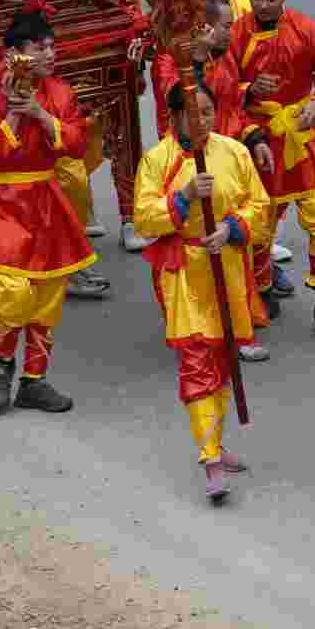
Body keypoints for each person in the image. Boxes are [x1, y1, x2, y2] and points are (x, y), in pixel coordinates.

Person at [133, 82, 269, 502]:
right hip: (184, 274)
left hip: (225, 267)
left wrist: (231, 228)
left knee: (223, 356)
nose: (203, 121)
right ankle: (209, 457)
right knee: (196, 361)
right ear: (174, 116)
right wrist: (184, 198)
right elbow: (144, 219)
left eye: (209, 111)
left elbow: (260, 207)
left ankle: (216, 439)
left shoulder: (235, 152)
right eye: (193, 113)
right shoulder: (158, 160)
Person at [0, 10, 98, 414]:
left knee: (47, 293)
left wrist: (42, 117)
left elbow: (77, 144)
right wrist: (14, 111)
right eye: (38, 47)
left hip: (45, 196)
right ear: (15, 55)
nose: (49, 53)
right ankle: (3, 363)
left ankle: (34, 380)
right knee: (13, 289)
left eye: (51, 45)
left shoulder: (60, 93)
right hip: (2, 200)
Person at [228, 0, 315, 333]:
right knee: (260, 222)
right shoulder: (236, 34)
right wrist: (247, 90)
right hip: (259, 139)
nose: (263, 5)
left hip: (303, 134)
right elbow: (221, 86)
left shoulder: (307, 29)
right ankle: (262, 292)